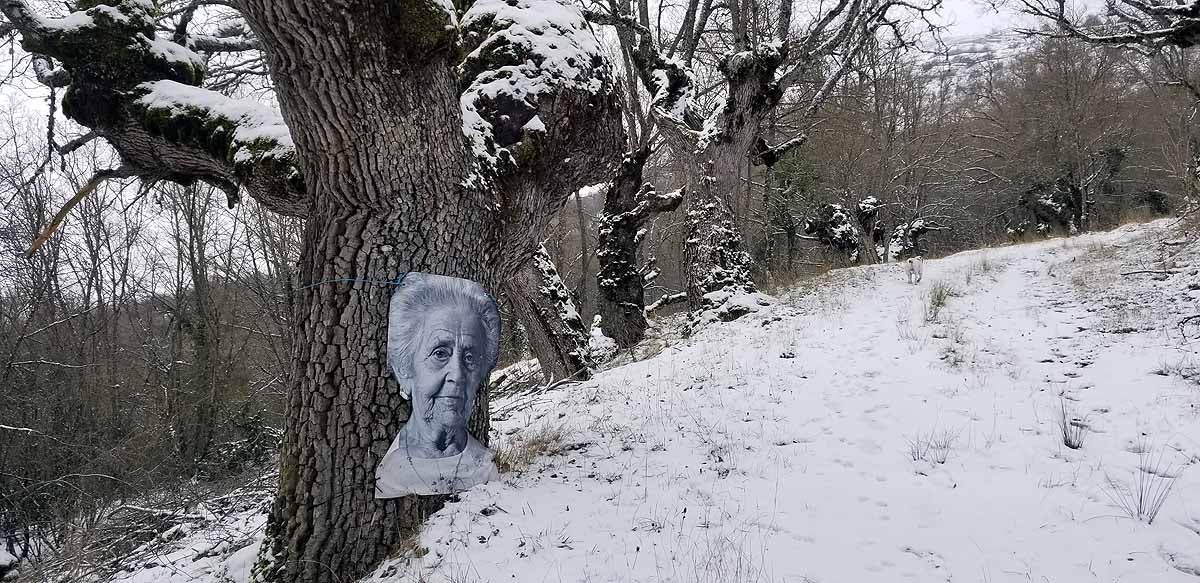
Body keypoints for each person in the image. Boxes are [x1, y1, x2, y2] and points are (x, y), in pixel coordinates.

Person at [375, 273, 502, 498]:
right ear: (404, 369)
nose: (458, 375)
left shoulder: (485, 467)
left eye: (470, 357)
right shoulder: (390, 473)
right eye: (440, 353)